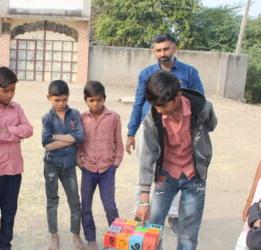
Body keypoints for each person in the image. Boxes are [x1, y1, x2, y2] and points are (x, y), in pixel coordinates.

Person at [126, 34, 205, 235]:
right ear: (154, 52)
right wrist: (131, 132)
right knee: (146, 168)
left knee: (177, 170)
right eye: (158, 50)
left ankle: (174, 215)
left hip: (179, 131)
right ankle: (141, 209)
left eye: (166, 49)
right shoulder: (146, 74)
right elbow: (138, 103)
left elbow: (200, 102)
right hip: (150, 129)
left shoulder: (189, 72)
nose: (163, 54)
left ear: (174, 49)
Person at [135, 71, 217, 250]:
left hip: (194, 176)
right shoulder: (153, 117)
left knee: (188, 234)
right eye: (155, 106)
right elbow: (147, 156)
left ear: (177, 96)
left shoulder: (202, 107)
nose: (158, 110)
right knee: (152, 229)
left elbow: (212, 125)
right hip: (165, 176)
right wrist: (143, 198)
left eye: (162, 106)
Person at [0, 67, 33, 250]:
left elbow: (29, 130)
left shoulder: (17, 107)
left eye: (12, 90)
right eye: (5, 91)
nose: (10, 95)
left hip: (15, 168)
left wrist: (9, 130)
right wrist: (17, 133)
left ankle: (5, 244)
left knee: (10, 210)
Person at [77, 81, 124, 250]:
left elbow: (119, 143)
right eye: (91, 100)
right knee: (86, 206)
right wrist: (79, 161)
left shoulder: (114, 118)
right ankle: (91, 239)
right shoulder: (82, 118)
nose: (95, 104)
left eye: (98, 100)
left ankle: (116, 238)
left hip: (107, 170)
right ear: (86, 100)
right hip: (88, 169)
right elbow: (78, 142)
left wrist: (115, 164)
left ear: (104, 99)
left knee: (110, 206)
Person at [42, 80, 85, 250]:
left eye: (64, 100)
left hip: (69, 166)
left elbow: (80, 137)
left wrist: (56, 136)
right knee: (52, 201)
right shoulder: (47, 118)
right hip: (51, 164)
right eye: (57, 100)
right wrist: (70, 138)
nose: (61, 104)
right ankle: (54, 236)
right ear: (49, 98)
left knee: (75, 201)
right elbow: (46, 143)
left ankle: (75, 235)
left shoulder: (74, 114)